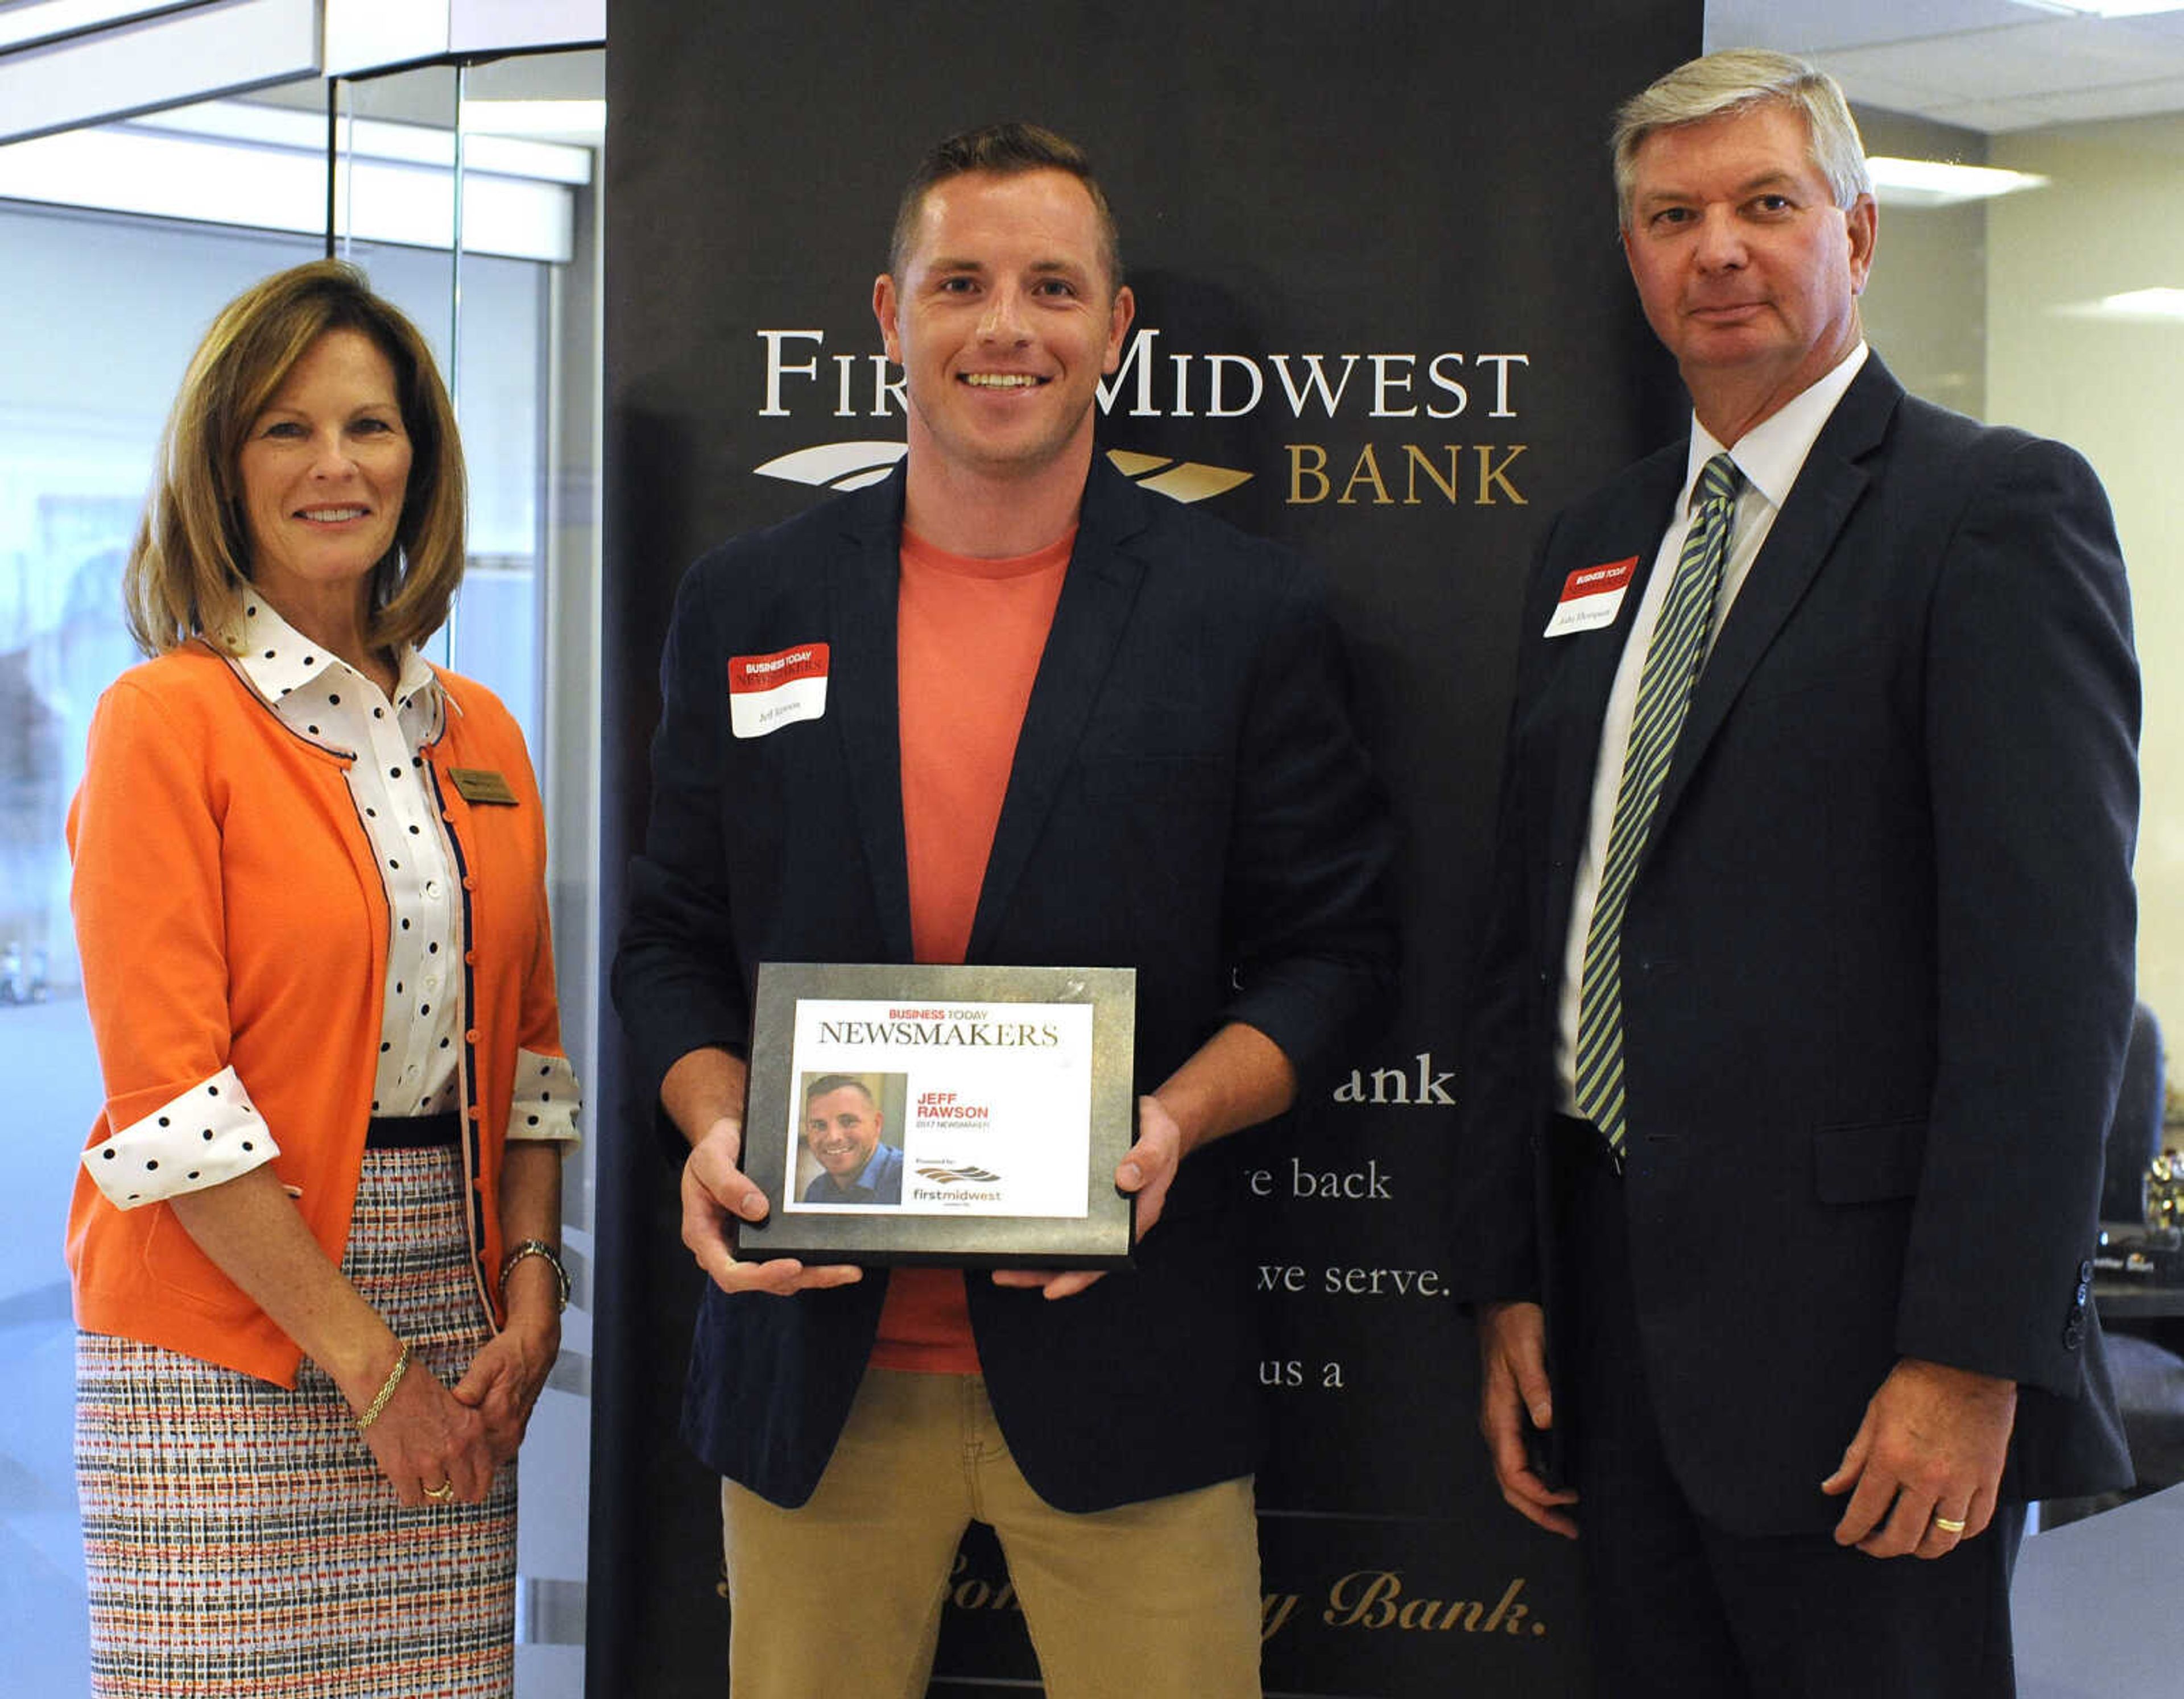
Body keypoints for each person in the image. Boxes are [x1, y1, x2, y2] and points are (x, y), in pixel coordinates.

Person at [613, 122, 1395, 1697]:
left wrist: (1168, 1121)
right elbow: (668, 939)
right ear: (891, 317)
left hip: (1133, 1360)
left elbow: (1336, 954)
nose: (1006, 326)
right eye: (960, 281)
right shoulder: (750, 600)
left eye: (1054, 286)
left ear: (1116, 330)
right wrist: (716, 1123)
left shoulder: (1243, 612)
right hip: (810, 1364)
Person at [1452, 48, 2138, 1699]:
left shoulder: (1989, 511)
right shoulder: (1593, 545)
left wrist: (1971, 1355)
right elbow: (1533, 930)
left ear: (1858, 232)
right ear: (1632, 259)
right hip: (1608, 1327)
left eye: (1768, 205)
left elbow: (2047, 988)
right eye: (1673, 216)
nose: (1720, 250)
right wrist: (1515, 1274)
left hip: (1868, 1351)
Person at [67, 259, 580, 1698]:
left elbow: (530, 1060)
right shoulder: (164, 720)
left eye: (372, 426)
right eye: (286, 428)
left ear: (421, 461)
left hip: (451, 1300)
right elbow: (172, 1105)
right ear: (220, 467)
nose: (336, 464)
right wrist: (373, 1370)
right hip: (226, 1315)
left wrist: (531, 1287)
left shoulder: (475, 725)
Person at [799, 1074, 901, 1204]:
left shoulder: (907, 1179)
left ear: (877, 1124)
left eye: (848, 1122)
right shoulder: (816, 1191)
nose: (833, 1137)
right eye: (820, 1125)